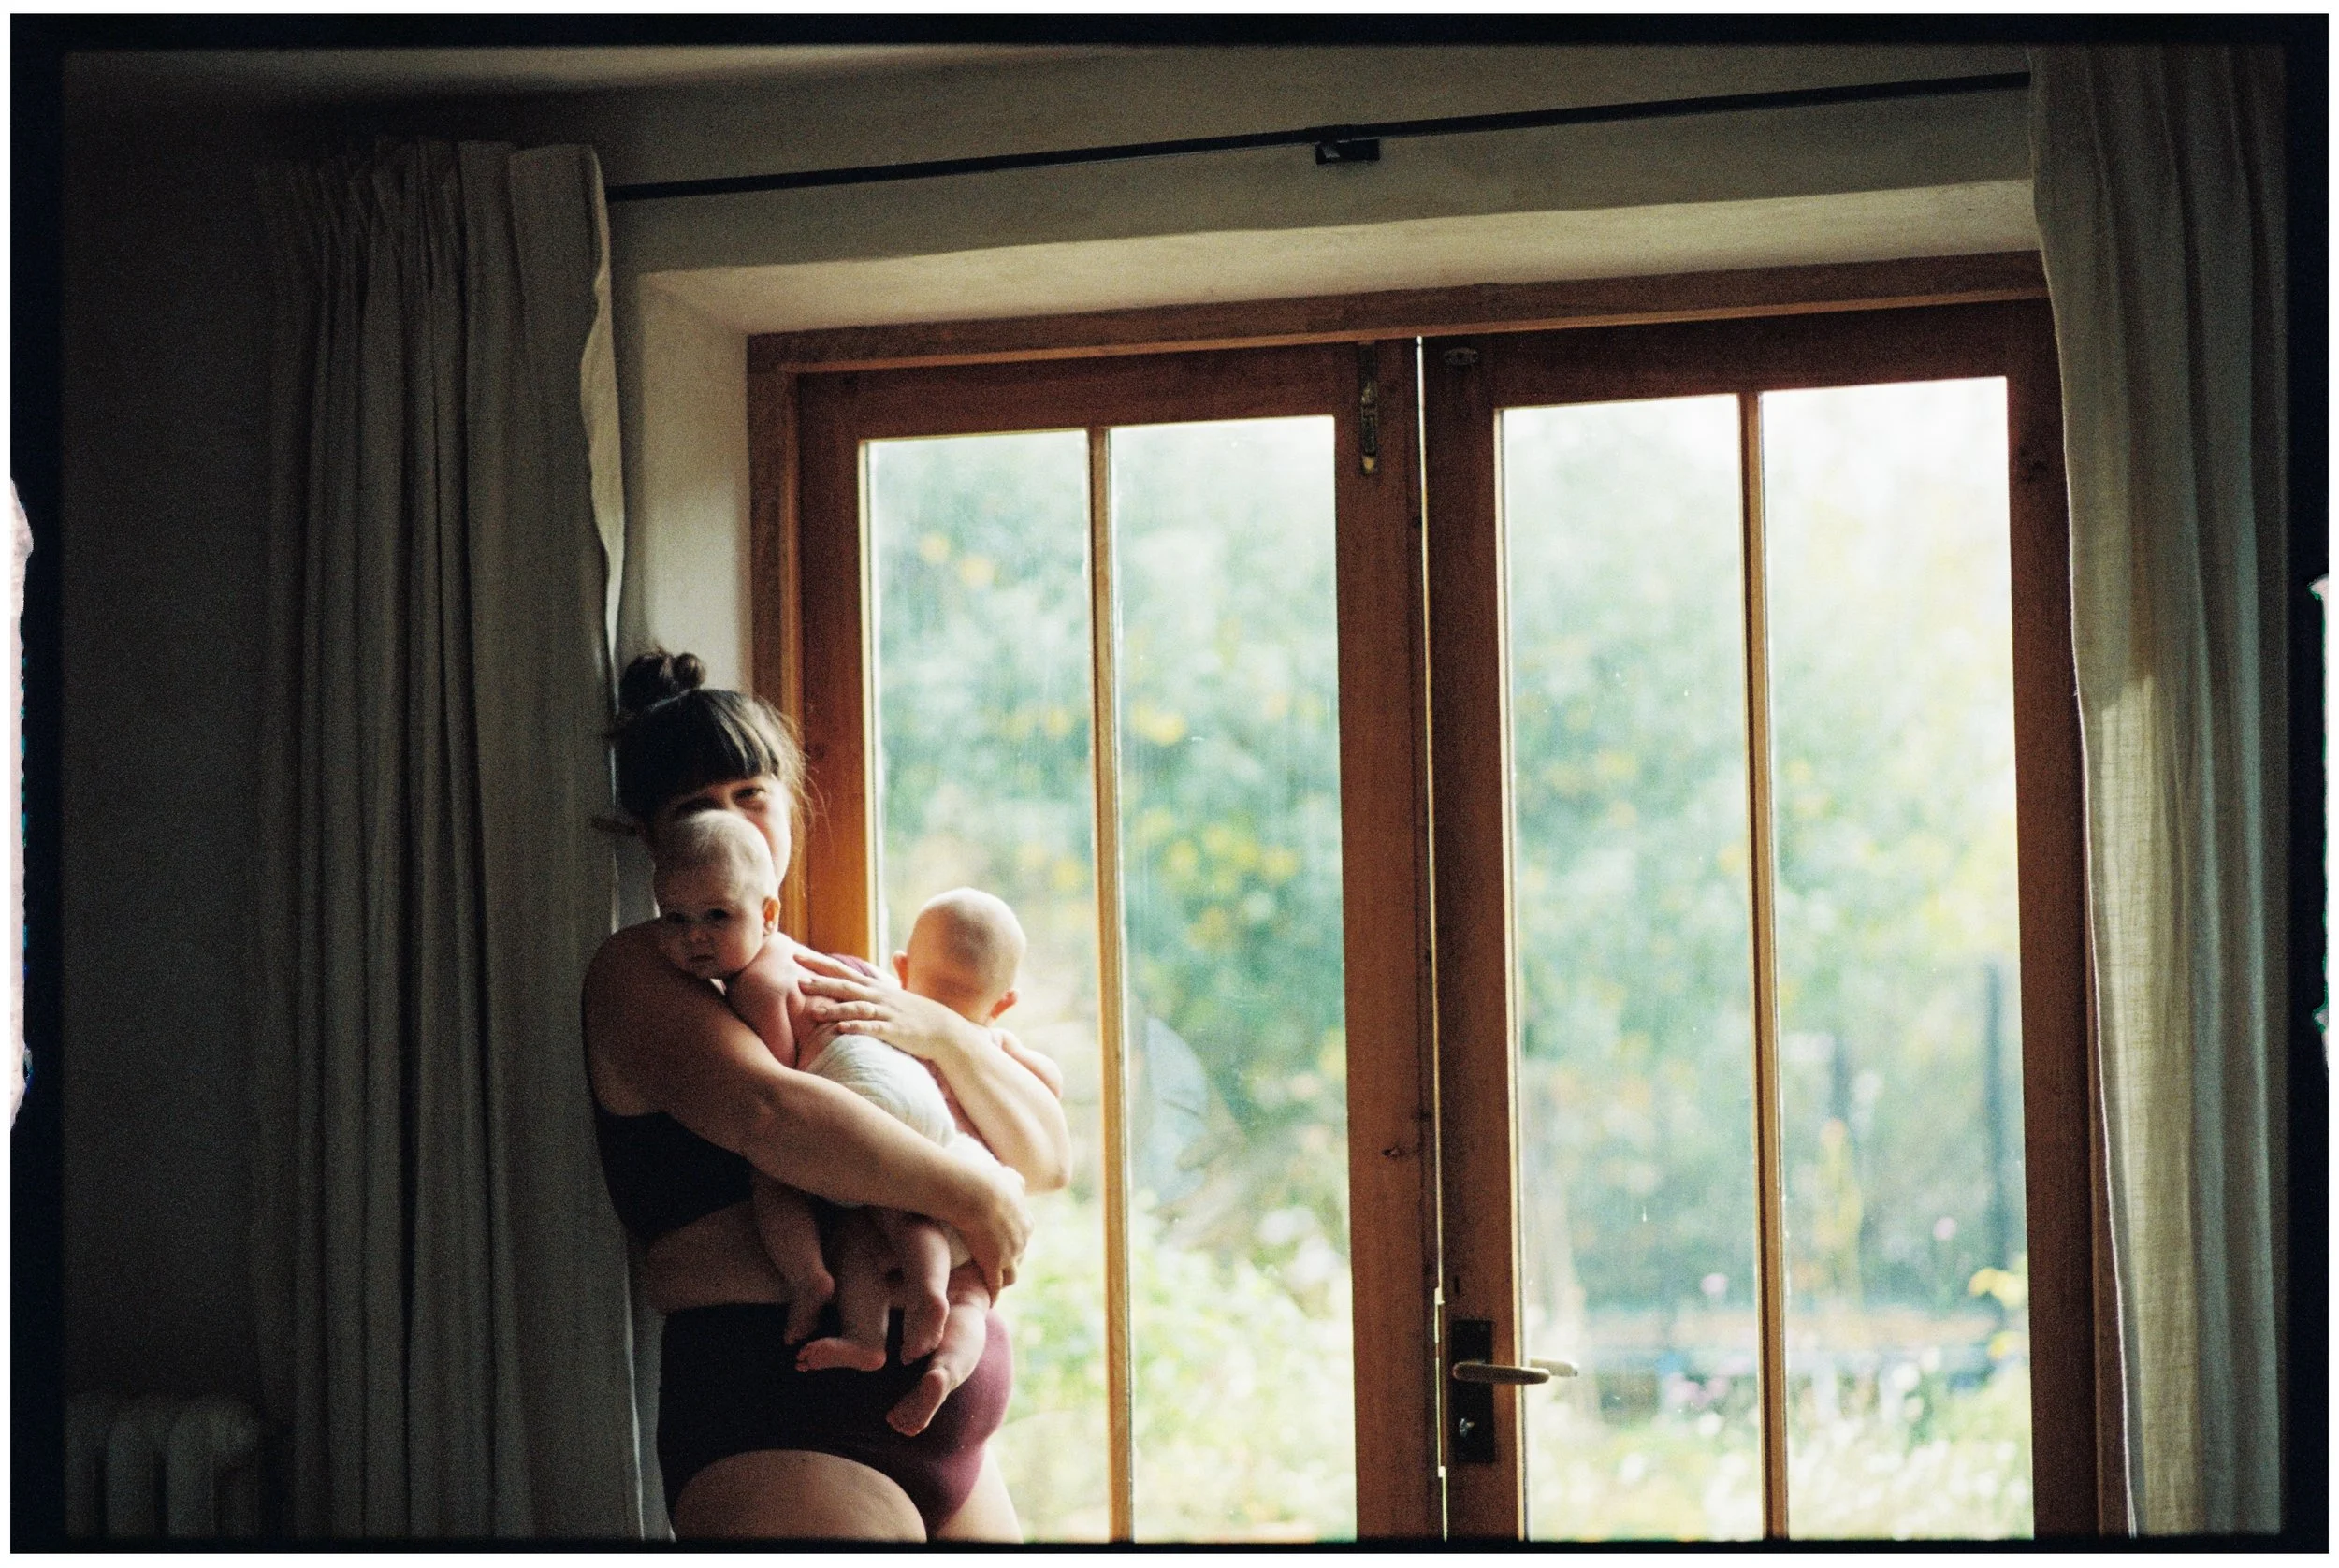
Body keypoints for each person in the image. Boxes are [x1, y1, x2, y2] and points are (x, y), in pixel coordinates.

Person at [585, 650, 1071, 1540]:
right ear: (654, 839)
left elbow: (1044, 1159)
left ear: (788, 804)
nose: (732, 822)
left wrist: (942, 1031)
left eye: (751, 794)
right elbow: (773, 1116)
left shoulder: (847, 976)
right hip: (782, 1419)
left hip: (946, 1436)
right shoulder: (640, 971)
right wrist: (970, 1195)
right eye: (695, 808)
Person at [644, 811, 1039, 1439]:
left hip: (868, 1101)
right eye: (675, 919)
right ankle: (944, 1354)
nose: (695, 937)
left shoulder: (759, 982)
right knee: (965, 1284)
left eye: (716, 916)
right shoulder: (847, 972)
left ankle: (816, 1285)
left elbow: (785, 1104)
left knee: (781, 1176)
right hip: (942, 1135)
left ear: (768, 915)